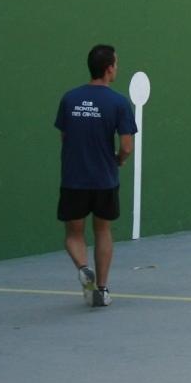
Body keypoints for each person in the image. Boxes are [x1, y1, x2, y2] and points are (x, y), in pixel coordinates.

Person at [54, 44, 136, 307]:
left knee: (73, 234)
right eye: (116, 63)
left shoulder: (69, 98)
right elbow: (126, 146)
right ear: (110, 68)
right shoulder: (119, 102)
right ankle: (101, 289)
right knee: (102, 230)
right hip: (104, 179)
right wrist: (118, 161)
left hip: (74, 178)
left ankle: (82, 267)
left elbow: (64, 136)